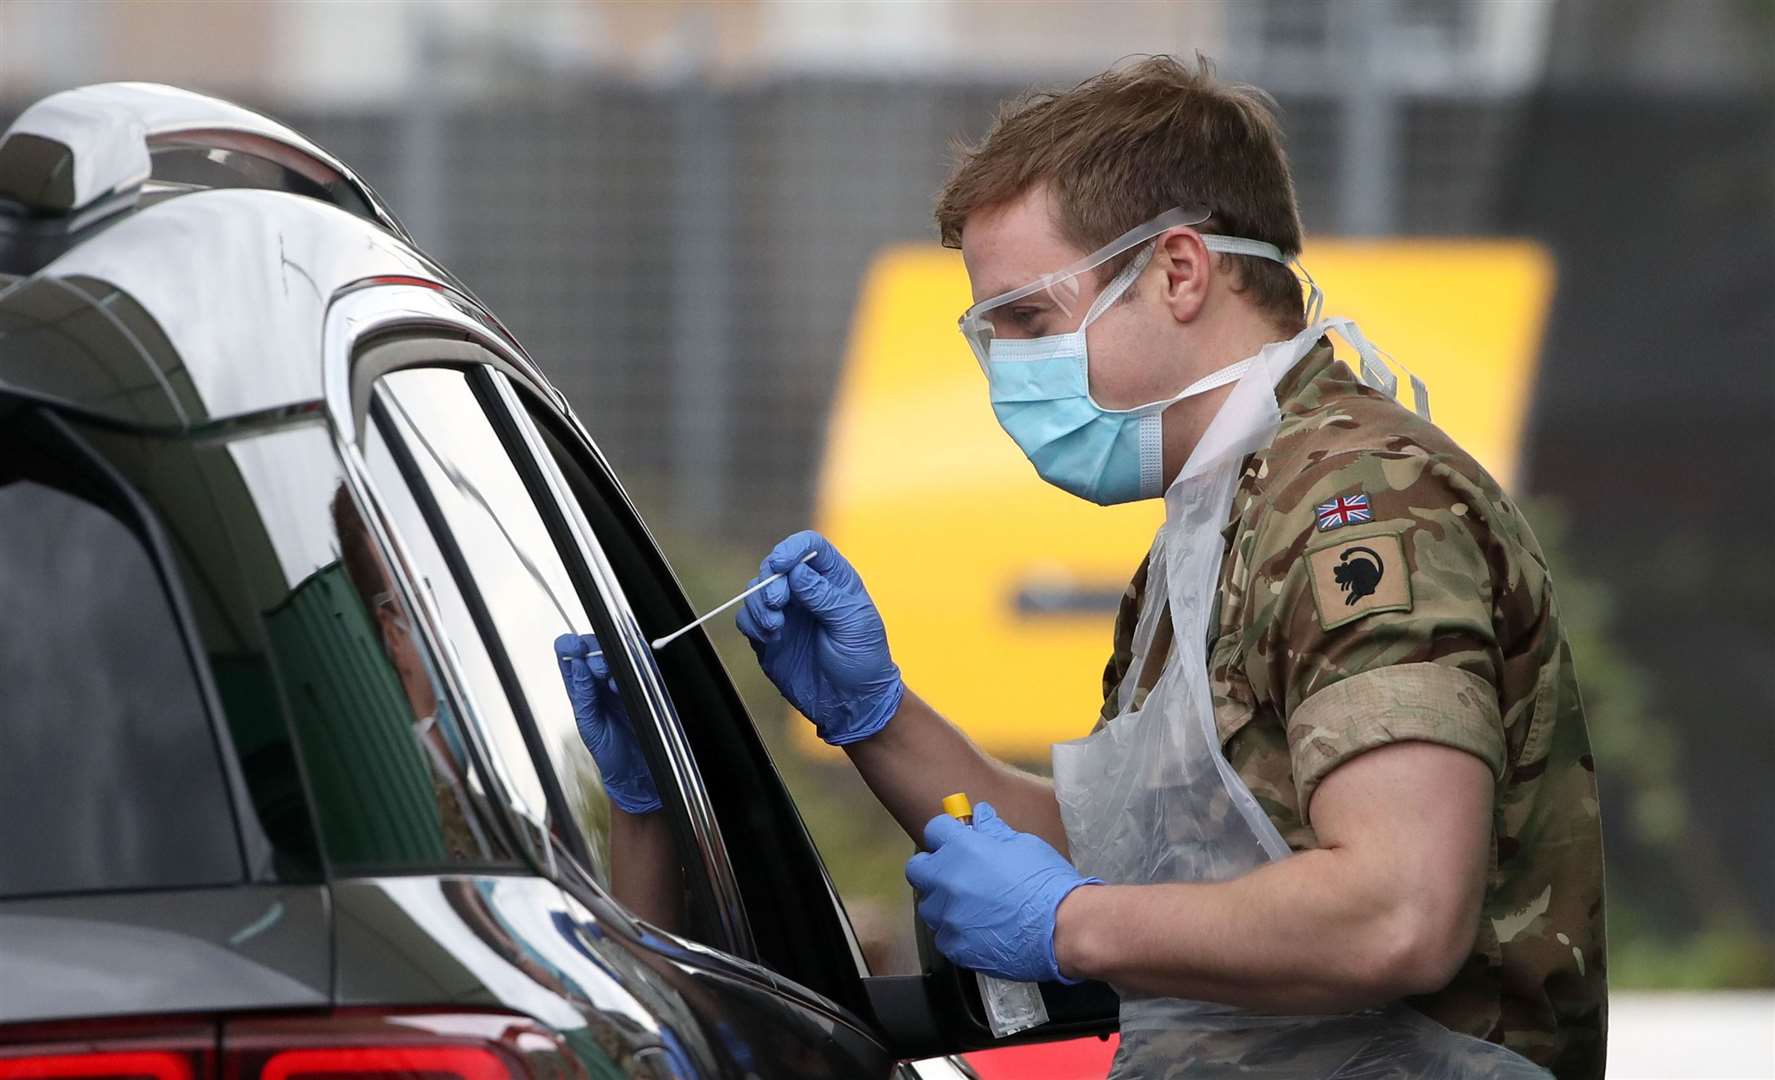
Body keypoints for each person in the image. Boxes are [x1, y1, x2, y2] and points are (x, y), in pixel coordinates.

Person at [731, 56, 1605, 1079]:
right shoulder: (1222, 518)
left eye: (1028, 320)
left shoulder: (1351, 505)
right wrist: (877, 718)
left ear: (1180, 272)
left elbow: (1396, 911)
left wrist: (1071, 928)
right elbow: (1140, 872)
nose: (1009, 369)